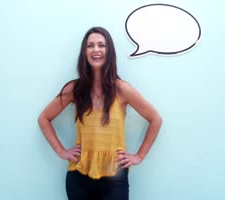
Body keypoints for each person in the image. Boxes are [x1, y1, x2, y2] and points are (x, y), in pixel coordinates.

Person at [38, 27, 162, 200]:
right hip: (79, 176)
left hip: (115, 177)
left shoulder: (122, 89)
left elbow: (155, 119)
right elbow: (44, 118)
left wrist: (139, 156)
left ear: (109, 51)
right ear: (84, 52)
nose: (96, 50)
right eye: (90, 46)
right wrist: (61, 151)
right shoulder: (74, 89)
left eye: (101, 45)